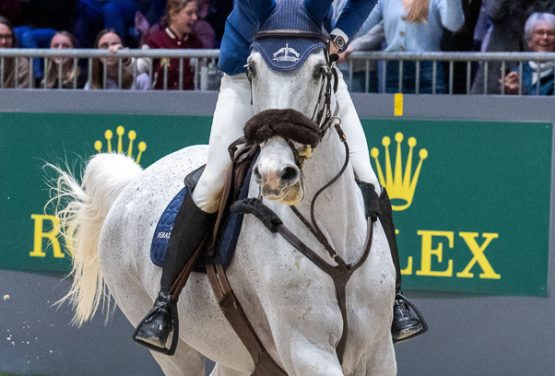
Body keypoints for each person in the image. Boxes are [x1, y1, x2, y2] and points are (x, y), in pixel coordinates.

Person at [133, 0, 426, 355]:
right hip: (249, 78)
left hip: (313, 76)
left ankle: (395, 302)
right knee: (212, 182)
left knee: (369, 179)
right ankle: (165, 304)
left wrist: (340, 35)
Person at [349, 0, 464, 93]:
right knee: (398, 114)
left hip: (428, 70)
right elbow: (362, 26)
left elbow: (454, 25)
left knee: (429, 115)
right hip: (395, 71)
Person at [470, 0, 555, 94]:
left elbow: (551, 22)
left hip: (535, 66)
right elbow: (494, 13)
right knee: (480, 106)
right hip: (498, 64)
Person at [139, 0, 204, 90]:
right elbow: (138, 68)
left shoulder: (196, 43)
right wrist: (125, 58)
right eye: (189, 13)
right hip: (160, 100)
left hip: (189, 101)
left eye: (196, 13)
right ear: (173, 15)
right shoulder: (154, 40)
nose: (195, 17)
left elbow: (204, 75)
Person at [501, 13, 555, 95]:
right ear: (529, 41)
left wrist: (522, 92)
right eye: (540, 33)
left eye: (550, 33)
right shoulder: (517, 72)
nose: (545, 37)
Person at [84, 29, 151, 90]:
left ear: (123, 48)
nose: (110, 49)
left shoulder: (141, 79)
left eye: (115, 44)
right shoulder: (91, 85)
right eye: (104, 46)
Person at [0, 15, 29, 89]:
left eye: (8, 36)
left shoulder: (22, 63)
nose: (4, 42)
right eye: (0, 37)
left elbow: (25, 97)